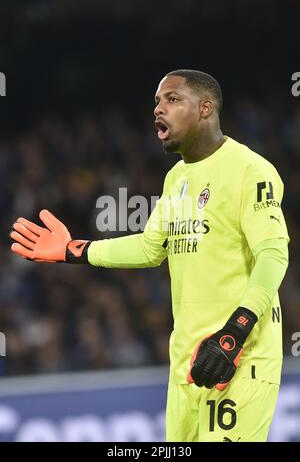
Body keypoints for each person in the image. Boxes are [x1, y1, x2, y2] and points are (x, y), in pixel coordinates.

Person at [10, 69, 289, 442]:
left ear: (206, 108)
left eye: (172, 99)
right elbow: (150, 246)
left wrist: (234, 332)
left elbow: (273, 254)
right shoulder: (177, 178)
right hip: (186, 364)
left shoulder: (251, 170)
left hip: (240, 359)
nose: (159, 109)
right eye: (157, 102)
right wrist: (74, 249)